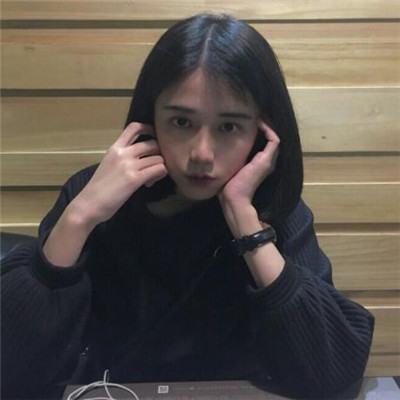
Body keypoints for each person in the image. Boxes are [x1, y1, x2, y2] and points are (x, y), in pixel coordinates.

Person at [1, 13, 374, 400]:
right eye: (181, 122)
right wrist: (81, 216)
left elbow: (334, 376)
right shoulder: (93, 192)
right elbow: (10, 367)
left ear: (261, 135)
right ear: (150, 118)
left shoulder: (274, 210)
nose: (202, 154)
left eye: (229, 127)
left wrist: (247, 226)